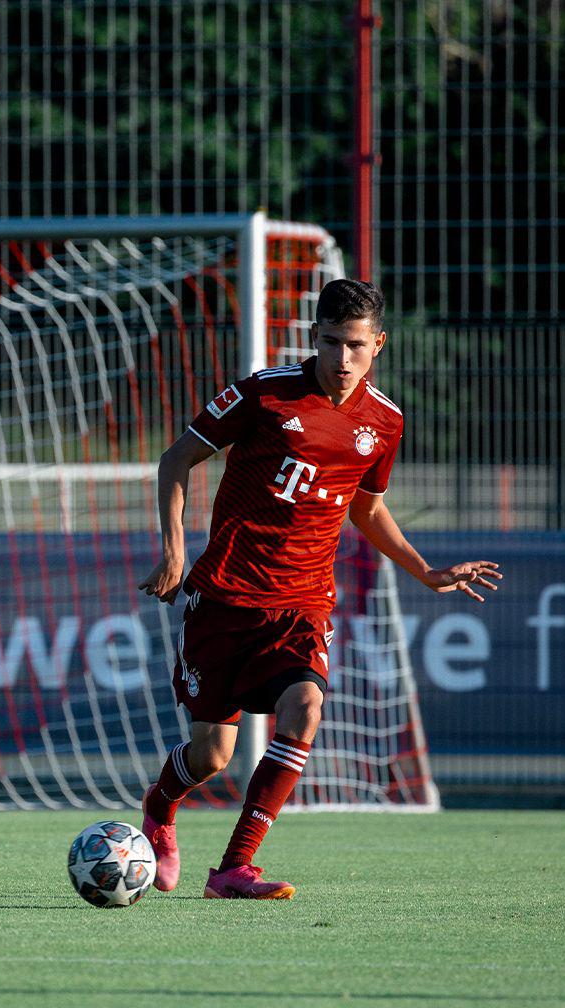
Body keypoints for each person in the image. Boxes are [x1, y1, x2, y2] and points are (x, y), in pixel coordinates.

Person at [137, 279, 502, 899]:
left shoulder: (384, 422)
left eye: (355, 345)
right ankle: (160, 809)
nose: (341, 358)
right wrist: (174, 552)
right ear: (314, 338)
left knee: (306, 708)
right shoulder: (265, 393)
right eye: (330, 342)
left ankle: (232, 870)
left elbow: (369, 509)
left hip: (304, 602)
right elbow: (176, 460)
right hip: (224, 597)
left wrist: (425, 570)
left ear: (378, 344)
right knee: (211, 757)